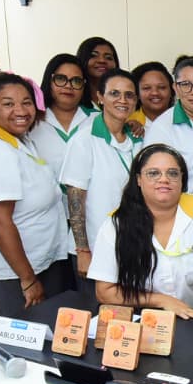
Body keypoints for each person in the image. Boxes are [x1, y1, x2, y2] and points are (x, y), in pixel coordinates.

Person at [0, 73, 70, 322]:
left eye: (26, 102)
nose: (20, 111)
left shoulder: (14, 139)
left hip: (29, 265)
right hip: (10, 274)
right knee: (26, 338)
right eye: (8, 104)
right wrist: (28, 279)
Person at [88, 144, 193, 321]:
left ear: (182, 180)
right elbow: (104, 292)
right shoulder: (116, 225)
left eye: (173, 173)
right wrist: (161, 300)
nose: (164, 179)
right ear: (138, 179)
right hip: (142, 319)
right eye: (153, 173)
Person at [60, 70, 143, 279]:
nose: (122, 100)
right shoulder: (84, 140)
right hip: (96, 249)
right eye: (114, 93)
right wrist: (83, 251)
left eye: (129, 95)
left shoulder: (139, 139)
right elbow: (75, 198)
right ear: (100, 97)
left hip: (133, 246)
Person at [143, 55, 193, 196]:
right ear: (175, 88)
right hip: (183, 207)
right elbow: (153, 181)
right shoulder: (162, 129)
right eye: (185, 85)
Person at [27, 53, 94, 179]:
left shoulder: (99, 119)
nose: (68, 86)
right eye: (60, 79)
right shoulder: (31, 120)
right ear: (49, 81)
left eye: (76, 81)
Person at [130, 60, 175, 135]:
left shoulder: (186, 121)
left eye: (162, 87)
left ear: (172, 90)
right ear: (137, 93)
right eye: (147, 88)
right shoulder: (128, 124)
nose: (155, 93)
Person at [77, 36, 119, 106]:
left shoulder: (124, 99)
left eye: (108, 57)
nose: (102, 60)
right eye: (93, 56)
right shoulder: (72, 98)